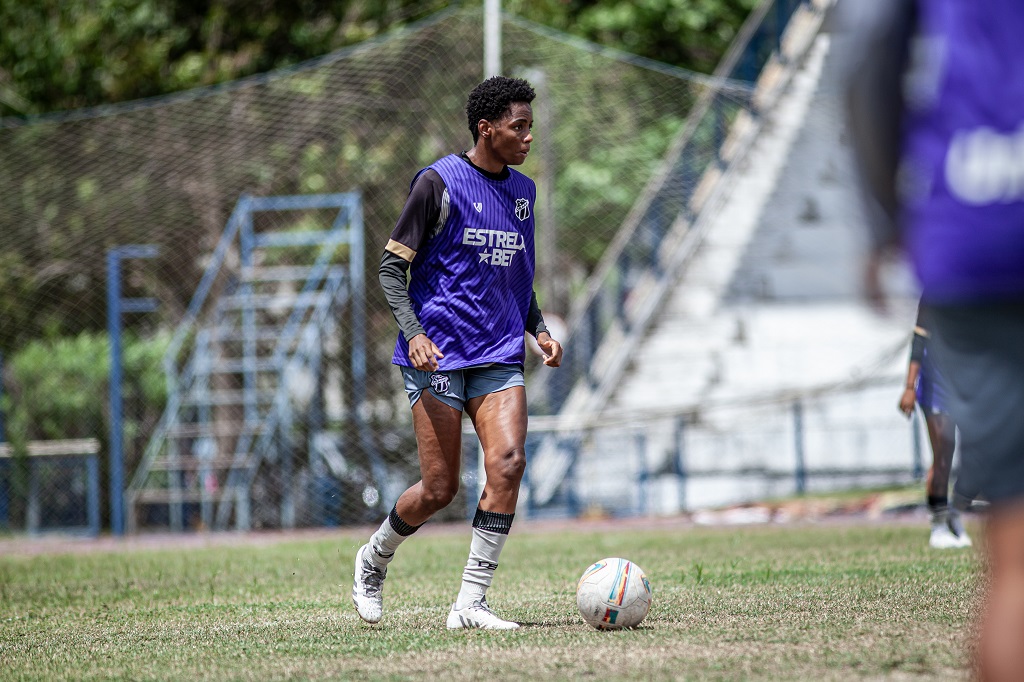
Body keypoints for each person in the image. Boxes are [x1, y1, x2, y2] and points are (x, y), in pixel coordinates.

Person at [846, 1, 1024, 678]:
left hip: (980, 220)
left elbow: (869, 71)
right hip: (978, 253)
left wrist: (884, 219)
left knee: (1016, 554)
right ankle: (939, 515)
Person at [351, 75, 563, 630]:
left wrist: (537, 330)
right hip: (437, 357)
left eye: (530, 127)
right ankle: (373, 559)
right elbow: (391, 268)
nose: (528, 137)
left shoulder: (524, 194)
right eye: (519, 127)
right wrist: (414, 332)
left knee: (509, 463)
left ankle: (470, 603)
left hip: (496, 354)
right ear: (485, 128)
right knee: (439, 489)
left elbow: (518, 276)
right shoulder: (436, 184)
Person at [897, 301, 970, 549]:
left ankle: (955, 514)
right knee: (943, 456)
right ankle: (938, 525)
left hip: (967, 380)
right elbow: (919, 341)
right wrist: (909, 387)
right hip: (937, 384)